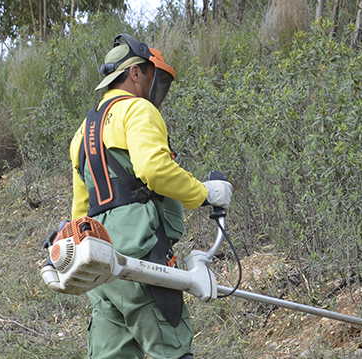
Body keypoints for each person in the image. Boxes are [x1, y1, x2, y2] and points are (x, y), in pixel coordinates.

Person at [68, 34, 233, 359]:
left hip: (101, 261)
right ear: (135, 73)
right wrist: (204, 193)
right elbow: (153, 168)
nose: (155, 85)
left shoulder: (82, 132)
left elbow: (80, 210)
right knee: (170, 349)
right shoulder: (137, 110)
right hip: (141, 258)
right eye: (151, 74)